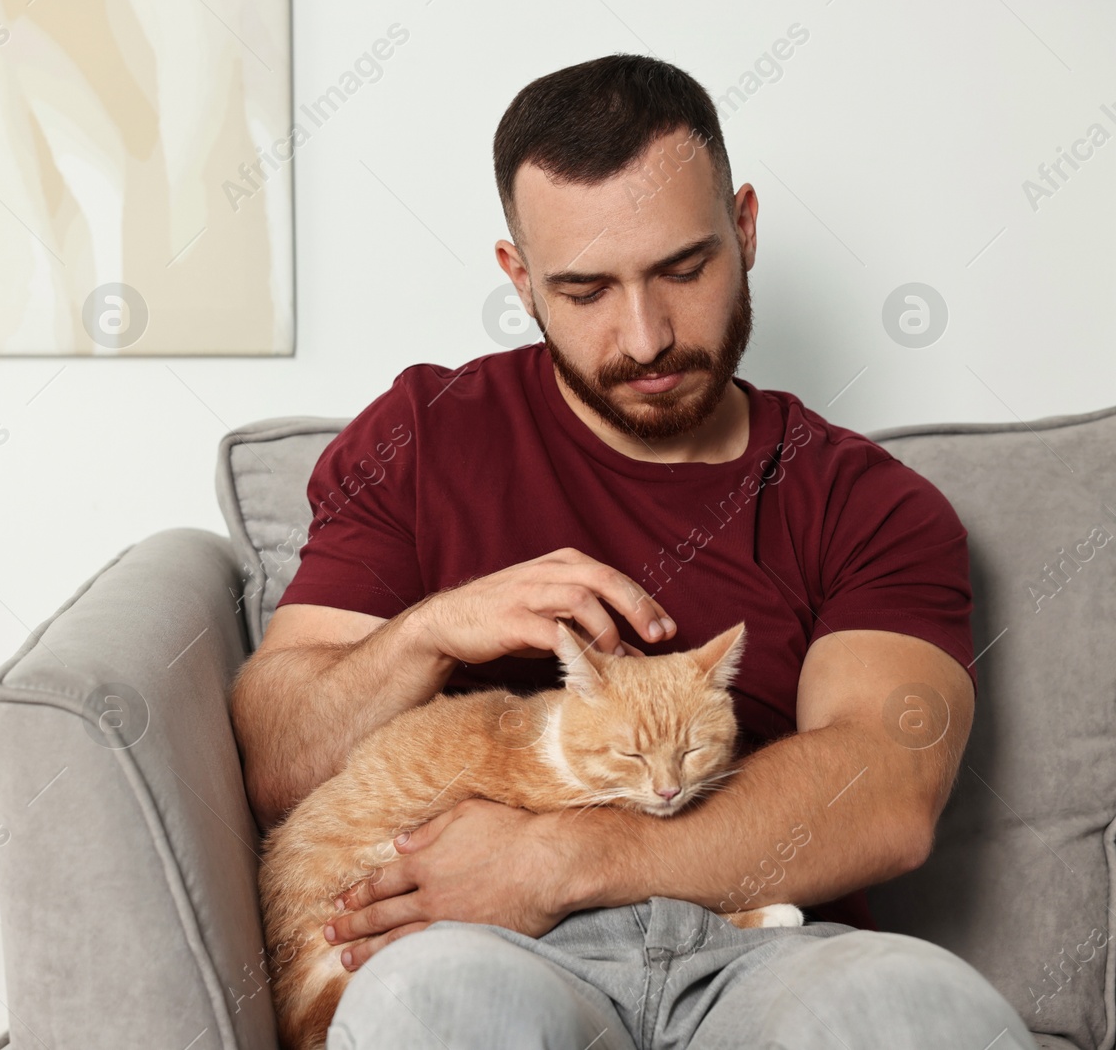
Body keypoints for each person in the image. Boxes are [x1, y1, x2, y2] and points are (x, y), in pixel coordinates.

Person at [229, 54, 1035, 1049]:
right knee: (427, 1006)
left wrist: (555, 857)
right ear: (519, 279)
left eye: (682, 269)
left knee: (917, 1009)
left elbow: (887, 790)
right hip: (483, 943)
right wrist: (432, 629)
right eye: (584, 289)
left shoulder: (866, 502)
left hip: (758, 945)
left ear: (744, 229)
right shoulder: (423, 437)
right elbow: (276, 756)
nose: (645, 335)